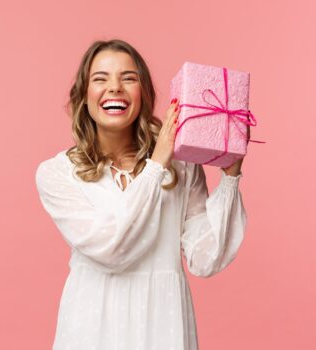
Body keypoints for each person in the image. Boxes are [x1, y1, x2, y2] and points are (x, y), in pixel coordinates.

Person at [35, 38, 248, 350]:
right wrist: (157, 164)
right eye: (100, 79)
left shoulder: (183, 167)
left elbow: (206, 260)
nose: (115, 88)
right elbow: (111, 250)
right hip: (91, 326)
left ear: (144, 93)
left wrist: (230, 176)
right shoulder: (57, 173)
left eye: (129, 78)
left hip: (164, 324)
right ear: (84, 95)